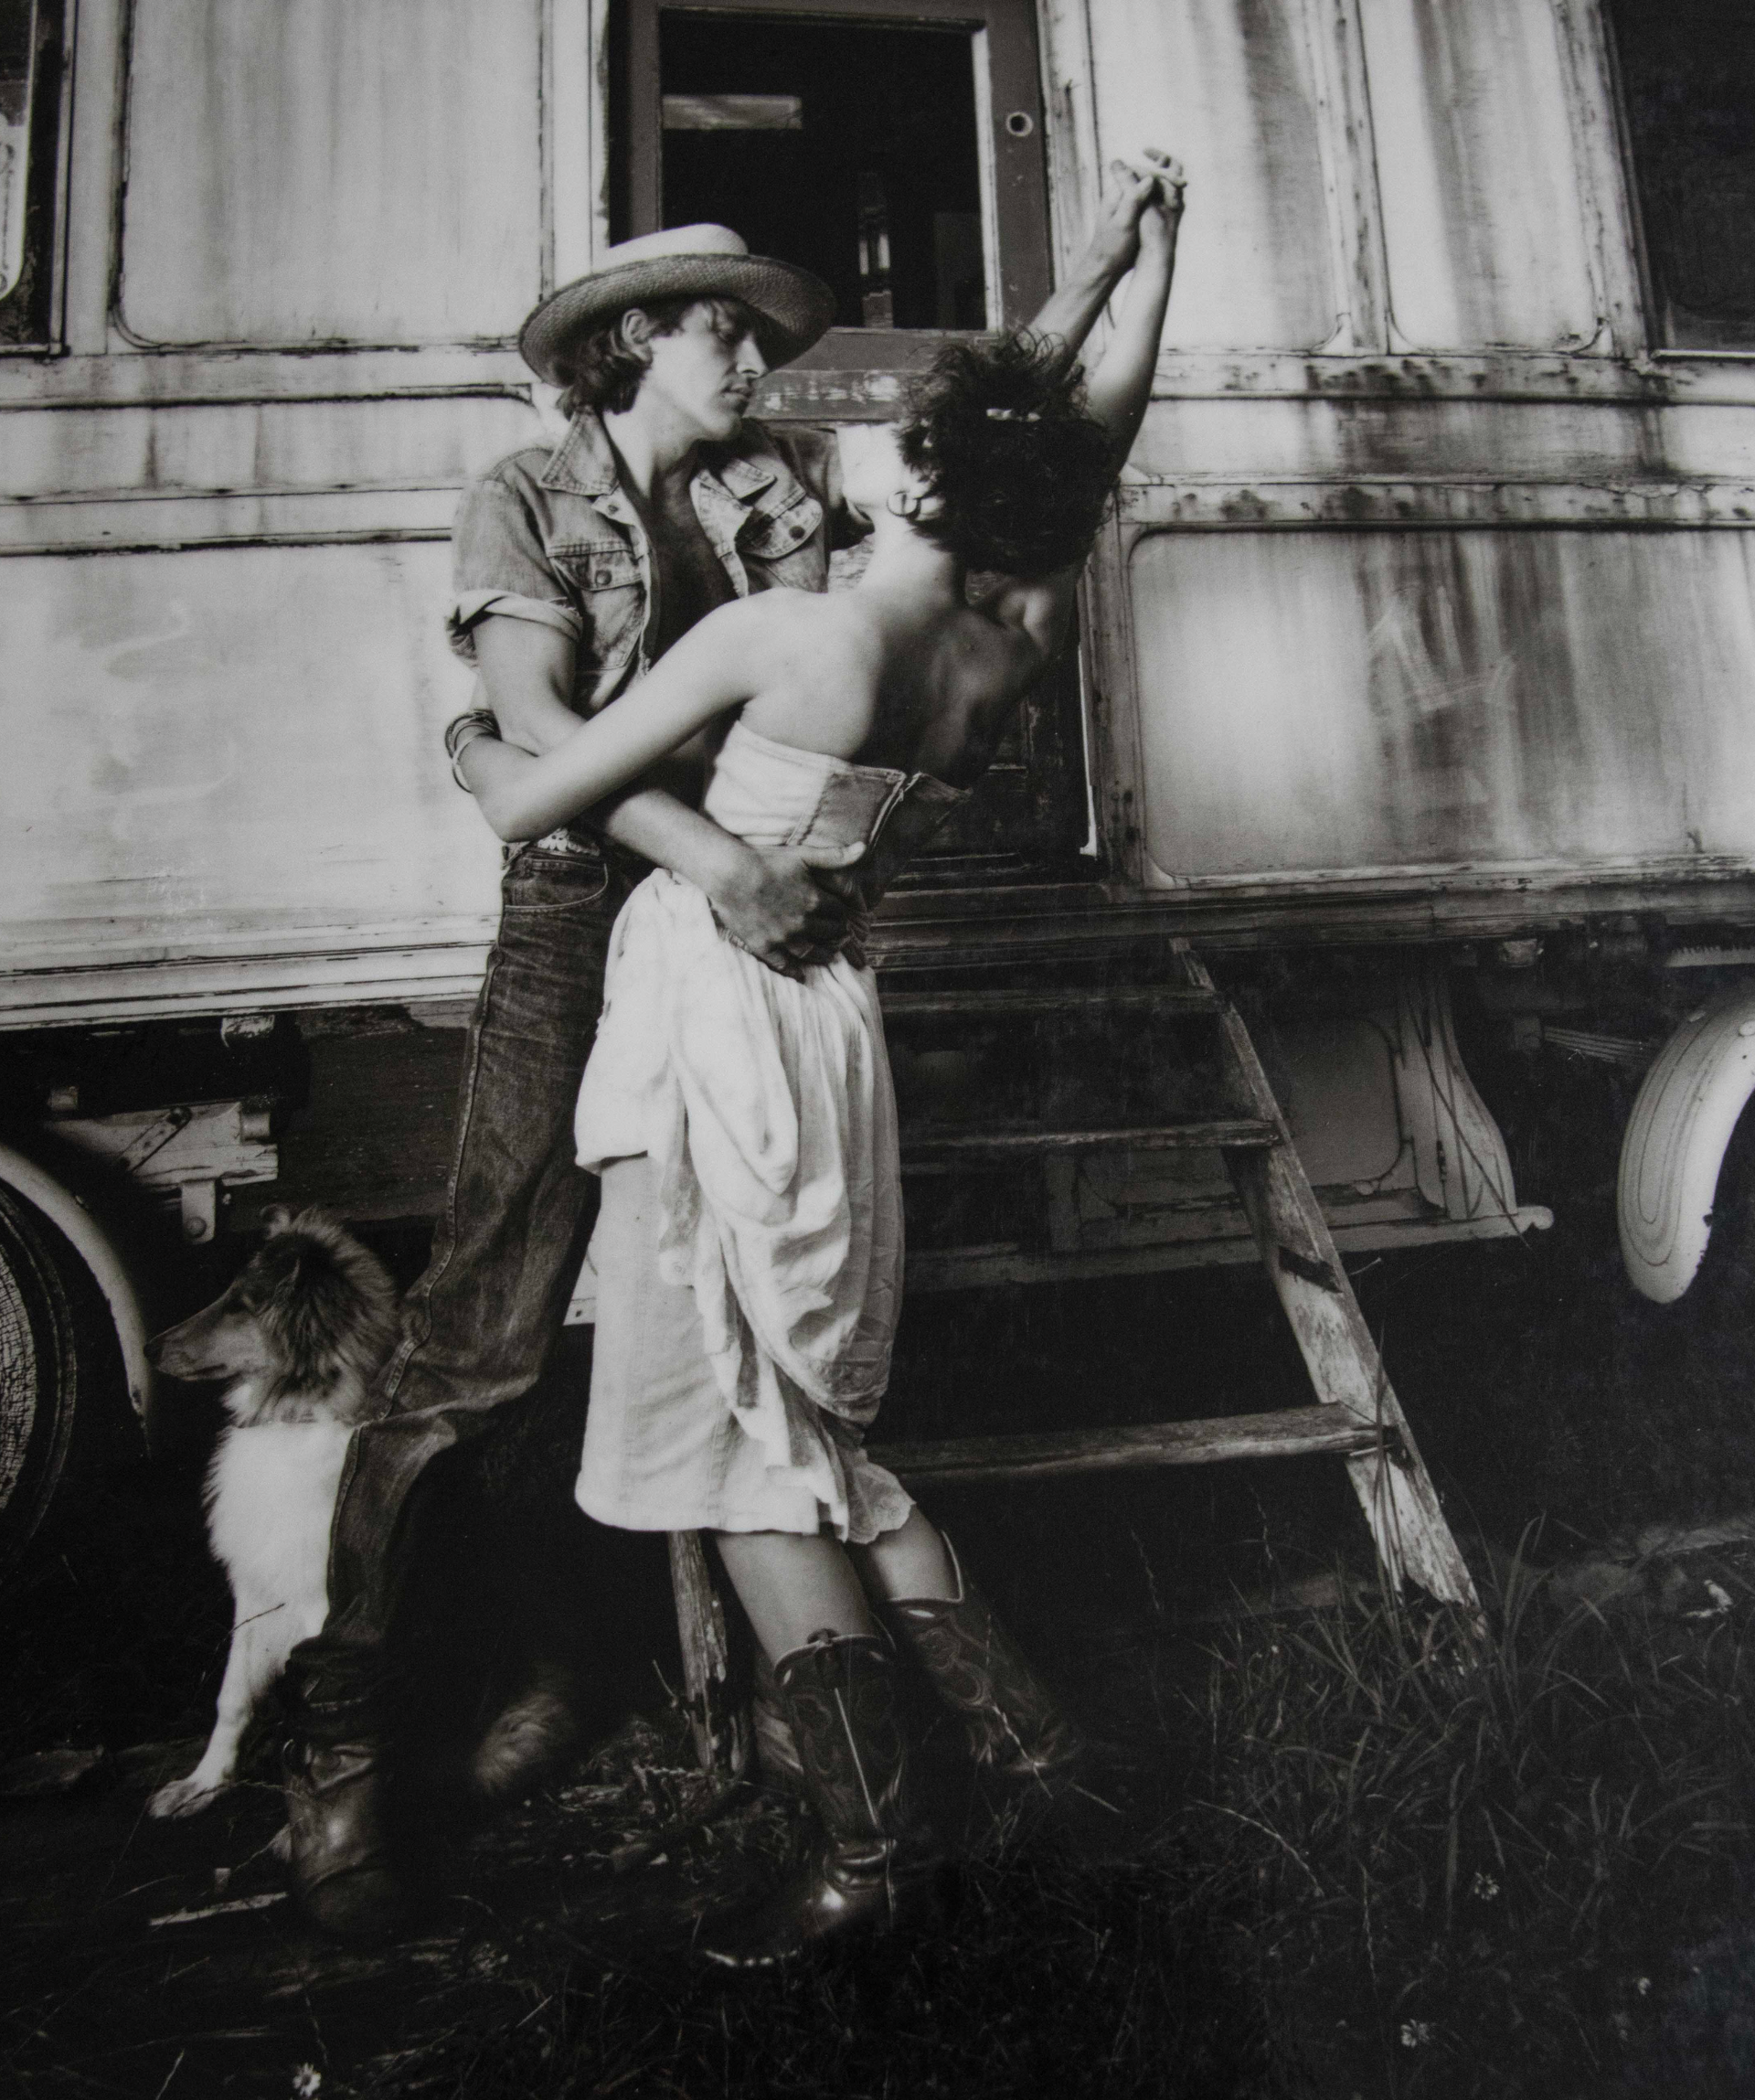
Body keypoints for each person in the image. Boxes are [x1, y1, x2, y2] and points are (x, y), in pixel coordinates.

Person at [282, 195, 1173, 1942]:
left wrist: (1094, 274)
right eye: (719, 329)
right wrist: (718, 858)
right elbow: (542, 714)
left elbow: (987, 446)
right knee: (480, 1347)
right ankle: (340, 1763)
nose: (757, 356)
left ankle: (834, 1788)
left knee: (733, 1380)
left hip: (744, 956)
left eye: (756, 332)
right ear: (631, 346)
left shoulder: (779, 494)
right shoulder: (526, 498)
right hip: (603, 924)